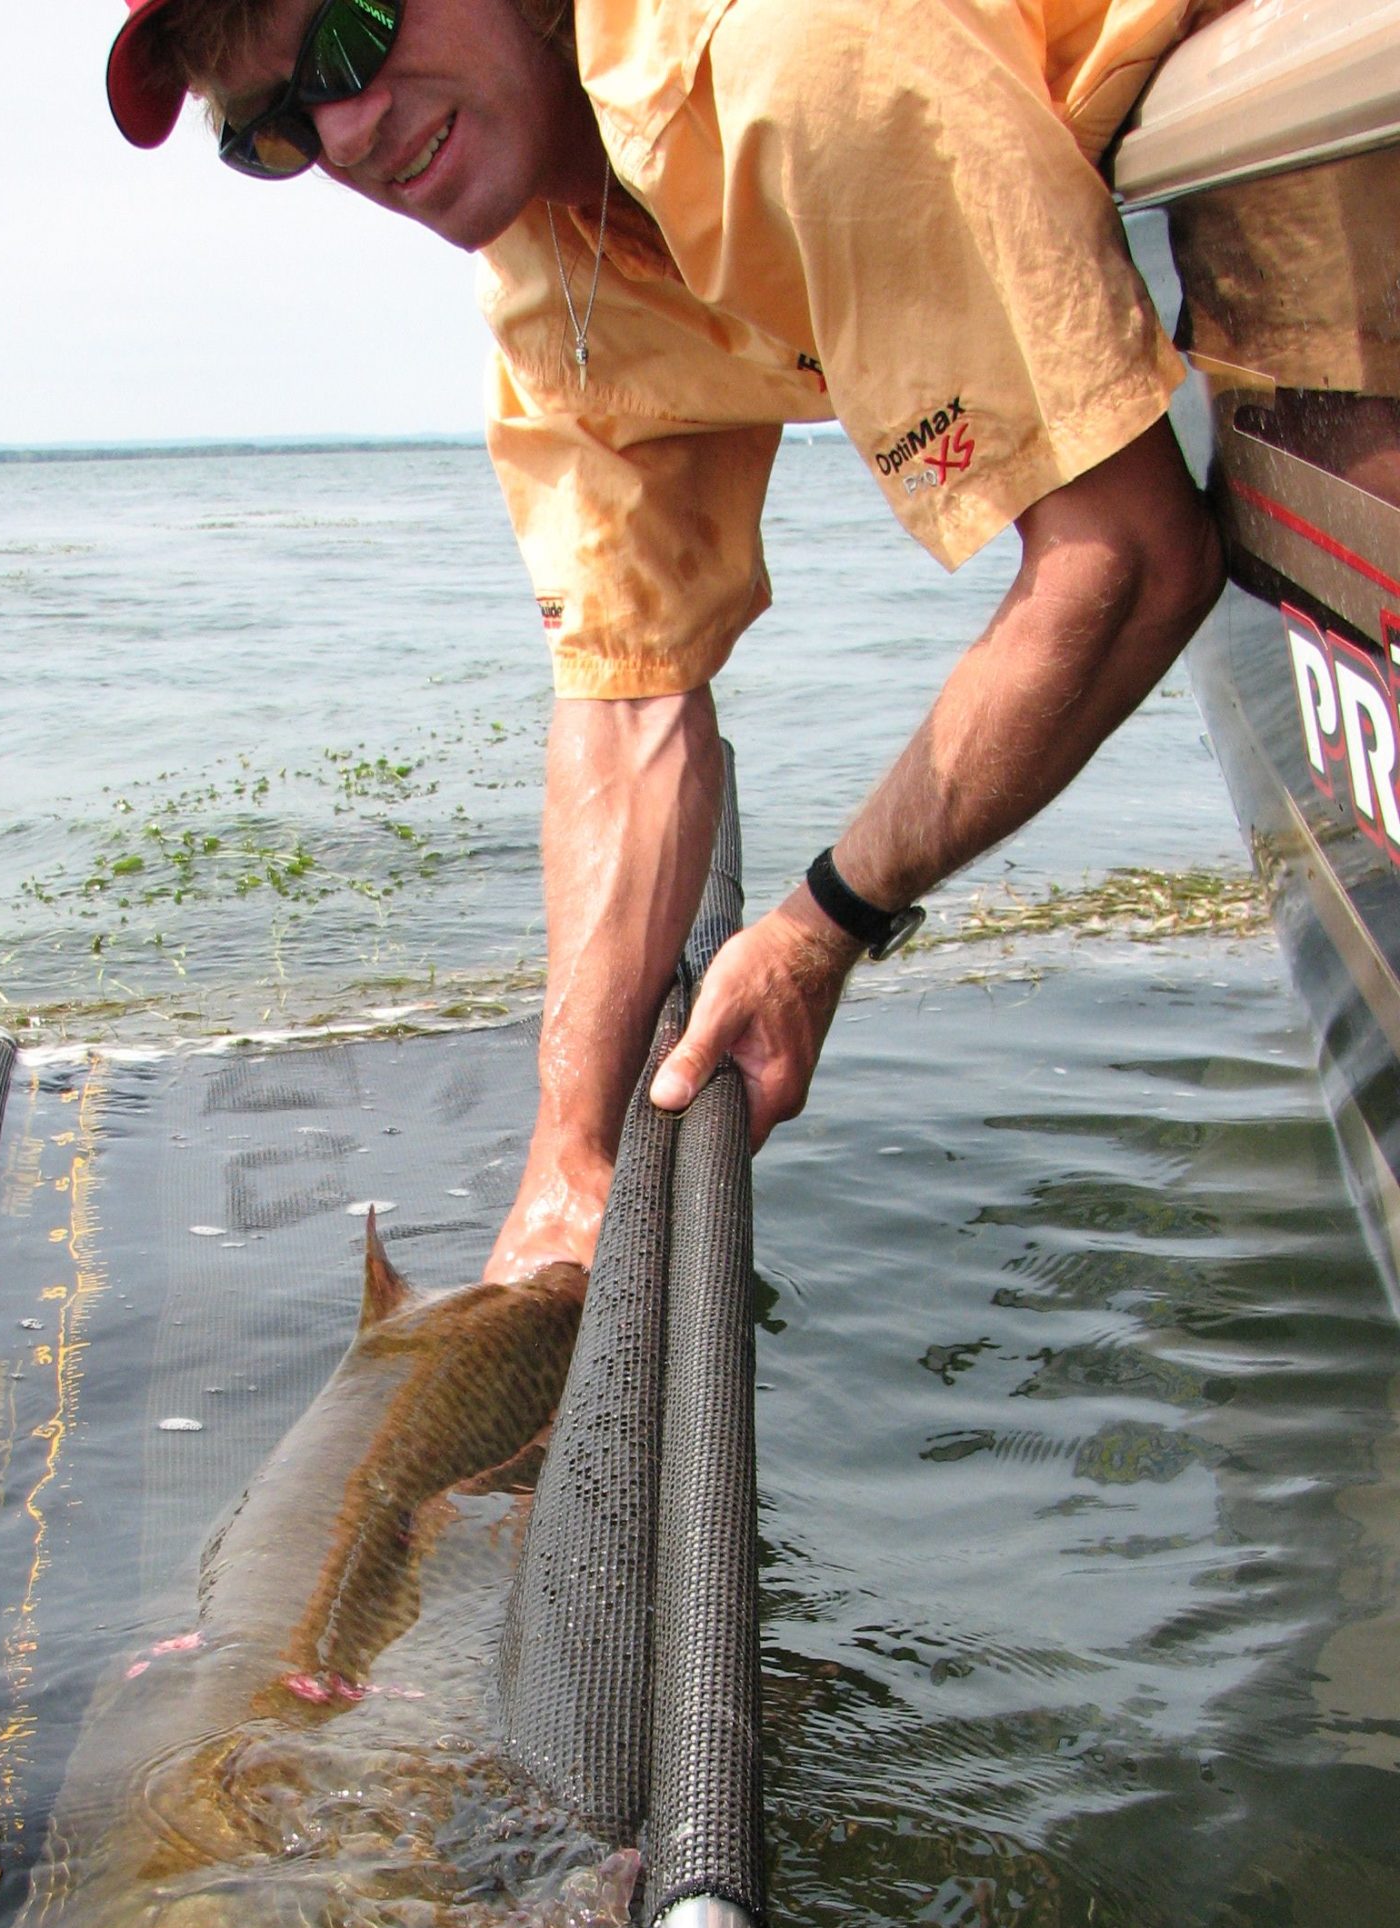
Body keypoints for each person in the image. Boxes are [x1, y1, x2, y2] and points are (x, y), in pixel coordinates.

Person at [105, 0, 1226, 1279]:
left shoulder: (782, 65)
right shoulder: (545, 272)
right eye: (277, 127)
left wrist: (818, 930)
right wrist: (564, 1156)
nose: (347, 128)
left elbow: (1135, 557)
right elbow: (627, 701)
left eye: (350, 35)